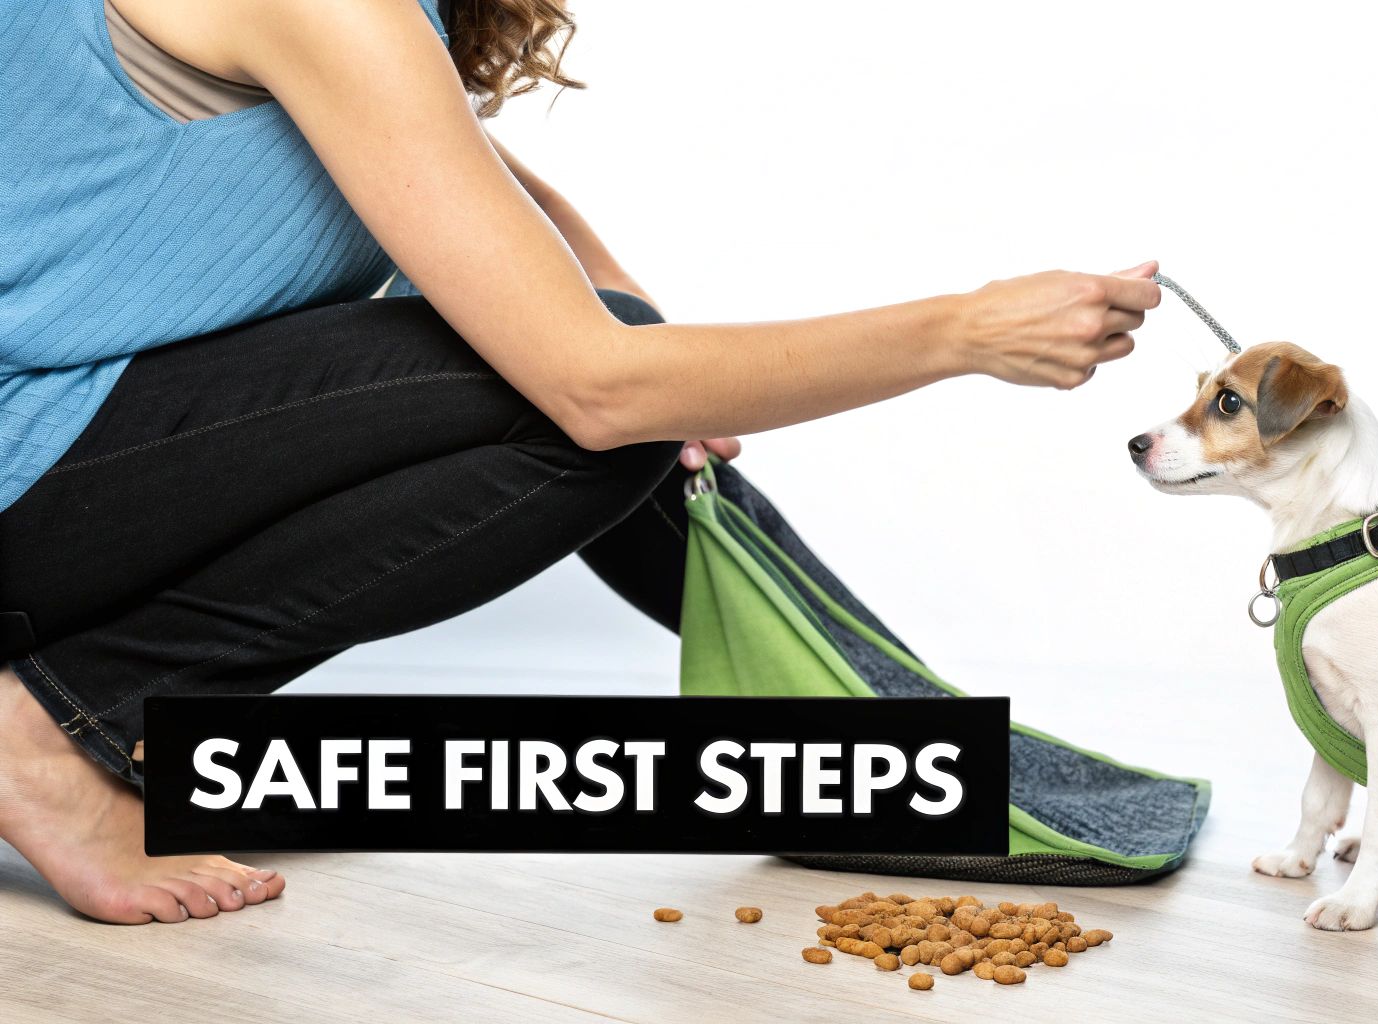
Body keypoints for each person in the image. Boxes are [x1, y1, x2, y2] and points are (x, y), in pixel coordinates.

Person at [0, 0, 1159, 925]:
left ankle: (900, 744)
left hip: (60, 470)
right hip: (25, 476)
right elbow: (595, 390)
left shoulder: (372, 23)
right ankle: (49, 728)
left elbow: (501, 192)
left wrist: (644, 342)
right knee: (587, 407)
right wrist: (960, 331)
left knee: (625, 395)